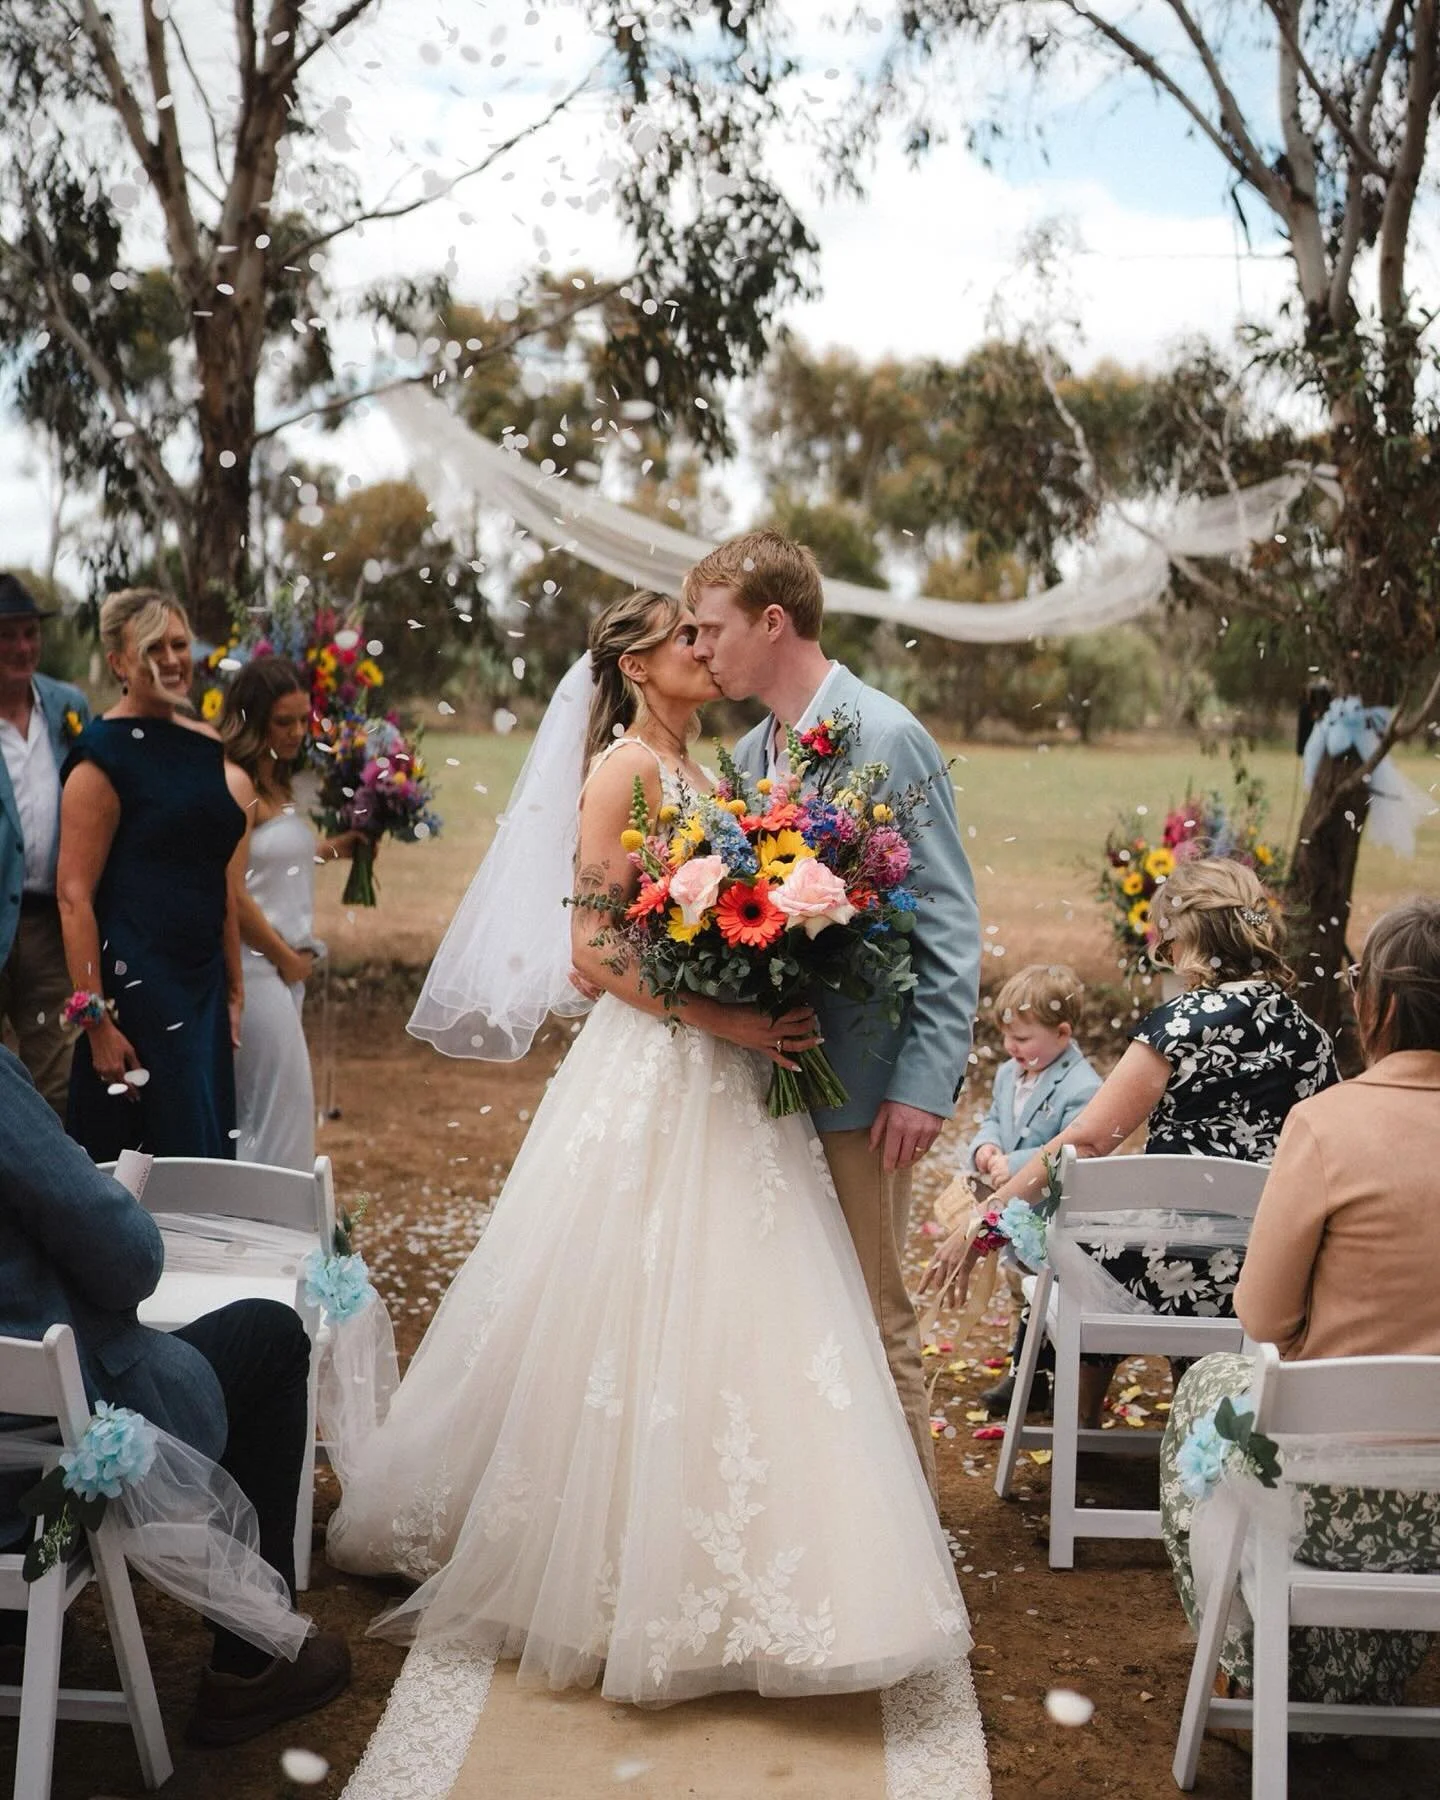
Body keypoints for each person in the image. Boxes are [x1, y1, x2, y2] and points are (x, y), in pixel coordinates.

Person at [328, 589, 971, 1707]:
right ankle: (591, 1548)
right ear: (634, 665)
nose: (702, 649)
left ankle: (743, 1544)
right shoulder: (623, 772)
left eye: (706, 631)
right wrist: (728, 1015)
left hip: (737, 1079)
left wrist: (766, 965)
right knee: (621, 1299)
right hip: (664, 1071)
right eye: (684, 637)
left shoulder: (717, 769)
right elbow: (589, 950)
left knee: (738, 1306)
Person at [687, 531, 981, 1496]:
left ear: (773, 622)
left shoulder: (888, 737)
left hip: (865, 1090)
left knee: (875, 1315)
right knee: (791, 1320)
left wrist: (922, 1085)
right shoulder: (745, 755)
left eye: (712, 628)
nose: (700, 649)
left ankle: (915, 1549)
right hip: (766, 1086)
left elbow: (949, 926)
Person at [0, 1044, 350, 1743]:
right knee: (272, 1337)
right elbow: (128, 1261)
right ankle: (252, 1662)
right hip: (37, 1476)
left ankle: (10, 1627)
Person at [923, 857, 1340, 1426]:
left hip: (1159, 1271)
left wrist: (985, 1220)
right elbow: (1323, 1152)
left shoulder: (1179, 1025)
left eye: (1167, 939)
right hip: (1268, 1275)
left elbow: (1088, 1143)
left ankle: (1081, 1425)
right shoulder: (1311, 1036)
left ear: (1188, 939)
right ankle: (1199, 1427)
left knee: (1097, 1246)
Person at [1159, 897, 1440, 1710]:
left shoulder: (1325, 1126)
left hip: (1335, 1496)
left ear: (1377, 1005)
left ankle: (1260, 1671)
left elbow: (1262, 1318)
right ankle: (1370, 1679)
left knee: (1212, 1392)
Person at [57, 589, 248, 1160]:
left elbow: (219, 877)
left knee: (206, 1150)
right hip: (139, 987)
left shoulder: (206, 745)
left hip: (203, 981)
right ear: (119, 662)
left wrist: (234, 986)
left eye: (179, 644)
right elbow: (73, 897)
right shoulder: (100, 756)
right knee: (156, 1153)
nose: (171, 659)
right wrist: (95, 1022)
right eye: (152, 648)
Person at [220, 656, 364, 1170]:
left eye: (304, 719)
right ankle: (267, 1215)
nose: (298, 732)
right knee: (281, 1111)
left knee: (274, 1113)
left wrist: (338, 848)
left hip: (282, 971)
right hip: (254, 969)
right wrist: (285, 958)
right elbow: (232, 892)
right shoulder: (237, 784)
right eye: (284, 721)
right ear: (252, 720)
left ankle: (263, 1212)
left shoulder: (278, 783)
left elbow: (275, 860)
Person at [955, 964, 1102, 1418]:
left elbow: (1073, 1150)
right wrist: (986, 1147)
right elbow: (996, 1119)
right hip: (1017, 1212)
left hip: (1053, 1214)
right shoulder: (1008, 1073)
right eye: (1006, 1037)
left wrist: (1016, 1164)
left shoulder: (1083, 1087)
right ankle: (1031, 1375)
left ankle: (1034, 1375)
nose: (1011, 1047)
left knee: (1043, 1292)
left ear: (1062, 1033)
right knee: (1019, 1288)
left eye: (1022, 1038)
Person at [0, 572, 90, 1115]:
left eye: (30, 633)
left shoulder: (67, 707)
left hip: (50, 923)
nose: (22, 647)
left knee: (58, 1072)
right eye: (7, 635)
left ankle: (53, 1166)